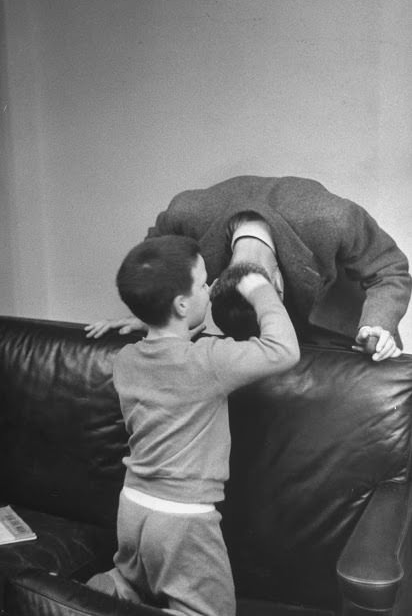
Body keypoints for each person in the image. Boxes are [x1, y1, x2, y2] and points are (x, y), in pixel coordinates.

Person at [87, 234, 300, 616]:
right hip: (183, 520)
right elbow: (284, 350)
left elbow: (168, 352)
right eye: (203, 283)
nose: (210, 288)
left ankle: (104, 592)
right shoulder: (208, 362)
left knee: (130, 579)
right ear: (182, 303)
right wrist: (257, 286)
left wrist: (151, 318)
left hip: (133, 504)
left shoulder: (126, 360)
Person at [85, 175, 412, 361]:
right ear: (213, 285)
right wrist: (154, 315)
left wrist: (377, 326)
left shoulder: (332, 219)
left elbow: (389, 270)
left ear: (279, 285)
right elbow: (151, 263)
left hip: (338, 326)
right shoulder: (185, 216)